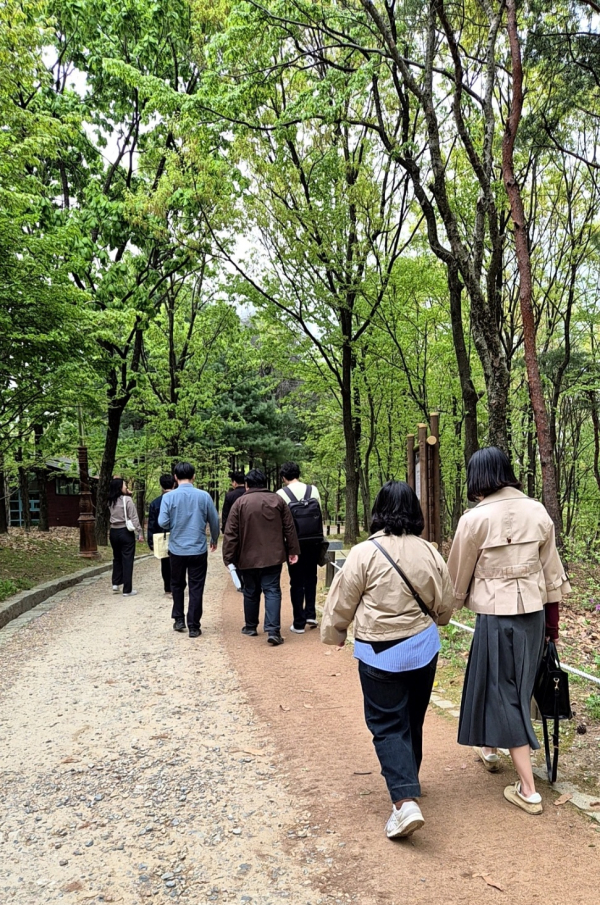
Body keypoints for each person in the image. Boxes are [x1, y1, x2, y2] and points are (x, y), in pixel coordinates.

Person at [321, 481, 454, 839]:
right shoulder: (430, 552)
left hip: (380, 654)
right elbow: (445, 604)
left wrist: (334, 634)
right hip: (424, 649)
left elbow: (341, 601)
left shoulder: (364, 553)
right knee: (413, 718)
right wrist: (436, 620)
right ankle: (409, 779)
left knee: (386, 724)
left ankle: (404, 802)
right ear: (415, 511)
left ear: (378, 509)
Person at [447, 447, 571, 815]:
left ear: (478, 477)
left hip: (495, 618)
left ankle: (528, 789)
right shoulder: (538, 511)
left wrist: (448, 607)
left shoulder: (474, 519)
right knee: (511, 684)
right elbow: (553, 578)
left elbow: (456, 577)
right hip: (533, 616)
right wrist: (553, 627)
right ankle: (489, 748)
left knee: (505, 692)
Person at [222, 468, 301, 646]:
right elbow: (290, 527)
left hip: (246, 557)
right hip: (273, 556)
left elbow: (231, 533)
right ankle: (273, 631)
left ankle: (250, 626)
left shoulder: (240, 503)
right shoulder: (278, 500)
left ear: (248, 484)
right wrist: (293, 550)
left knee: (250, 590)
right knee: (272, 590)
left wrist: (228, 557)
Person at [158, 462, 220, 638]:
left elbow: (162, 522)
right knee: (196, 586)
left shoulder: (168, 498)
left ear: (175, 478)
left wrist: (174, 524)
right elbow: (214, 521)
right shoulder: (204, 496)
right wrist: (214, 538)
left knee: (176, 584)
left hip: (177, 549)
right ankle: (194, 625)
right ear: (194, 476)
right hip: (198, 548)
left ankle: (178, 619)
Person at [277, 461, 323, 634]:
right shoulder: (313, 490)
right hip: (314, 539)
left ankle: (298, 622)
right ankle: (311, 614)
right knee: (311, 576)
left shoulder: (281, 493)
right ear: (299, 473)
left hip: (294, 543)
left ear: (283, 477)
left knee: (296, 581)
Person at [108, 477, 144, 597]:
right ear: (119, 487)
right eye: (124, 485)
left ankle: (116, 582)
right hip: (125, 532)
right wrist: (139, 532)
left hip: (113, 531)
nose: (126, 487)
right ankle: (127, 590)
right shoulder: (127, 500)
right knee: (127, 560)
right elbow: (134, 517)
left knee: (117, 557)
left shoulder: (110, 501)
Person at [147, 473, 176, 596]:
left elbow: (152, 523)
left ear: (161, 485)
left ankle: (168, 588)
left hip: (161, 535)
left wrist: (151, 540)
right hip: (177, 535)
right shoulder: (178, 499)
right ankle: (177, 585)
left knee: (165, 562)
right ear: (174, 483)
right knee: (178, 561)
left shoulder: (155, 503)